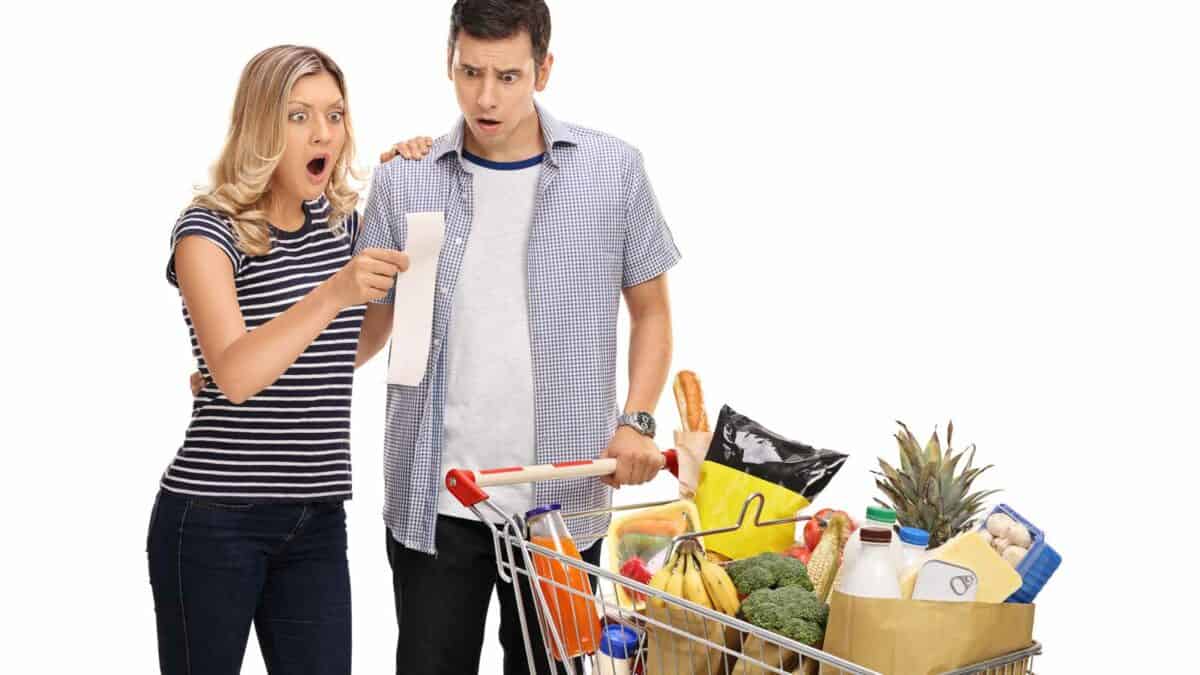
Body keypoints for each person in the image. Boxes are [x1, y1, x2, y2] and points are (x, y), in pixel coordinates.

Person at [353, 1, 681, 672]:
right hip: (436, 497)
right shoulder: (404, 179)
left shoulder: (612, 170)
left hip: (565, 501)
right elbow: (367, 327)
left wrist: (637, 421)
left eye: (508, 76)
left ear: (544, 69)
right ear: (449, 64)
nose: (485, 96)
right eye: (470, 72)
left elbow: (652, 311)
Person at [147, 44, 408, 675]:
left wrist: (410, 183)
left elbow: (349, 349)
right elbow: (234, 374)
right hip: (214, 519)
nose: (323, 133)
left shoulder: (342, 224)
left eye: (335, 114)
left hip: (316, 518)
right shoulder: (207, 231)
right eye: (299, 116)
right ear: (262, 126)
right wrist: (337, 290)